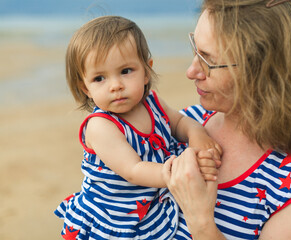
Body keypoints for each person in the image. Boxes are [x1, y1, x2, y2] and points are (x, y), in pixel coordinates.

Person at [163, 0, 291, 239]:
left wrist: (200, 220)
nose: (191, 72)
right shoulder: (187, 124)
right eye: (195, 49)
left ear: (263, 73)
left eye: (208, 60)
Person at [54, 15, 221, 240]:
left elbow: (179, 122)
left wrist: (196, 133)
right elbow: (133, 170)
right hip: (116, 214)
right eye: (99, 78)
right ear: (85, 88)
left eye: (125, 71)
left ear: (146, 71)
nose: (116, 86)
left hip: (150, 200)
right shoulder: (101, 126)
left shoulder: (152, 101)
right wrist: (175, 173)